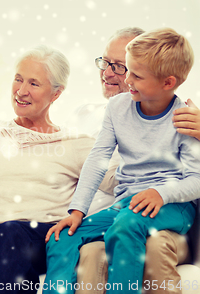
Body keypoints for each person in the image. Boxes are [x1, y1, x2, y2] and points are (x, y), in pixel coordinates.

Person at [44, 28, 200, 294]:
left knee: (125, 227)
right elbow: (98, 159)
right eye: (127, 70)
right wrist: (77, 211)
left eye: (136, 75)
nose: (127, 79)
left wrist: (160, 193)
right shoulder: (117, 108)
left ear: (168, 82)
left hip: (173, 205)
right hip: (127, 204)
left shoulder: (184, 118)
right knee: (62, 238)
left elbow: (196, 180)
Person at [0, 45, 117, 294]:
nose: (21, 91)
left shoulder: (75, 143)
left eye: (33, 83)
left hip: (42, 235)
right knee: (4, 235)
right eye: (18, 79)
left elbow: (118, 181)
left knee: (10, 232)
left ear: (56, 94)